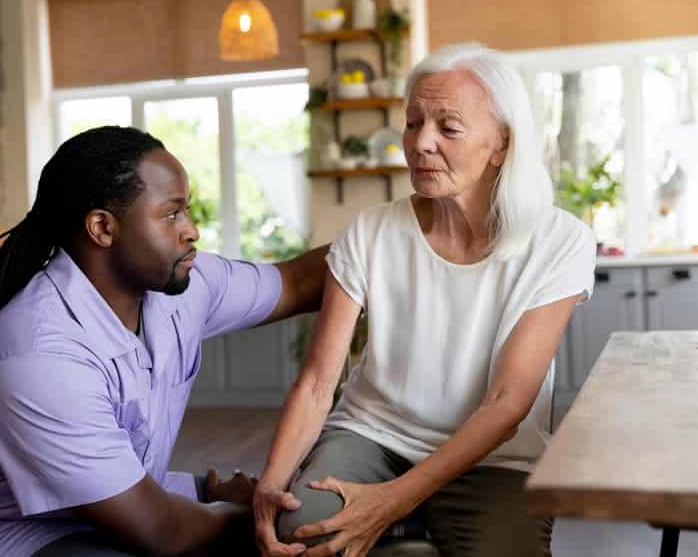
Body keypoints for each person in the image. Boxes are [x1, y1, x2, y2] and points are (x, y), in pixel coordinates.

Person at [0, 126, 328, 557]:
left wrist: (391, 231)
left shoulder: (181, 285)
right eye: (171, 215)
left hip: (106, 507)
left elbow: (297, 282)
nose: (192, 230)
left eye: (188, 211)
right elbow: (162, 533)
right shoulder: (41, 354)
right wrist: (268, 517)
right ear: (103, 228)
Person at [253, 43, 597, 557]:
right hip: (372, 436)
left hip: (495, 458)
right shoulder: (369, 232)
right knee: (296, 536)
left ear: (500, 144)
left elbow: (508, 406)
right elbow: (318, 383)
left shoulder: (559, 241)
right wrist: (270, 488)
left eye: (448, 128)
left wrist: (391, 502)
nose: (420, 143)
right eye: (413, 123)